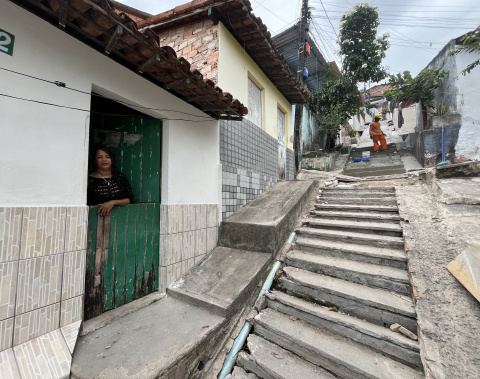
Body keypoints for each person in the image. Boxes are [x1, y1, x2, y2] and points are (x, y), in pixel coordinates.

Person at [87, 147, 134, 216]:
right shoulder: (89, 180)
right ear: (95, 161)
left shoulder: (120, 177)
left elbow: (129, 199)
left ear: (112, 160)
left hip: (120, 219)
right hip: (95, 220)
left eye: (107, 157)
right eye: (99, 157)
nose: (104, 160)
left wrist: (113, 202)